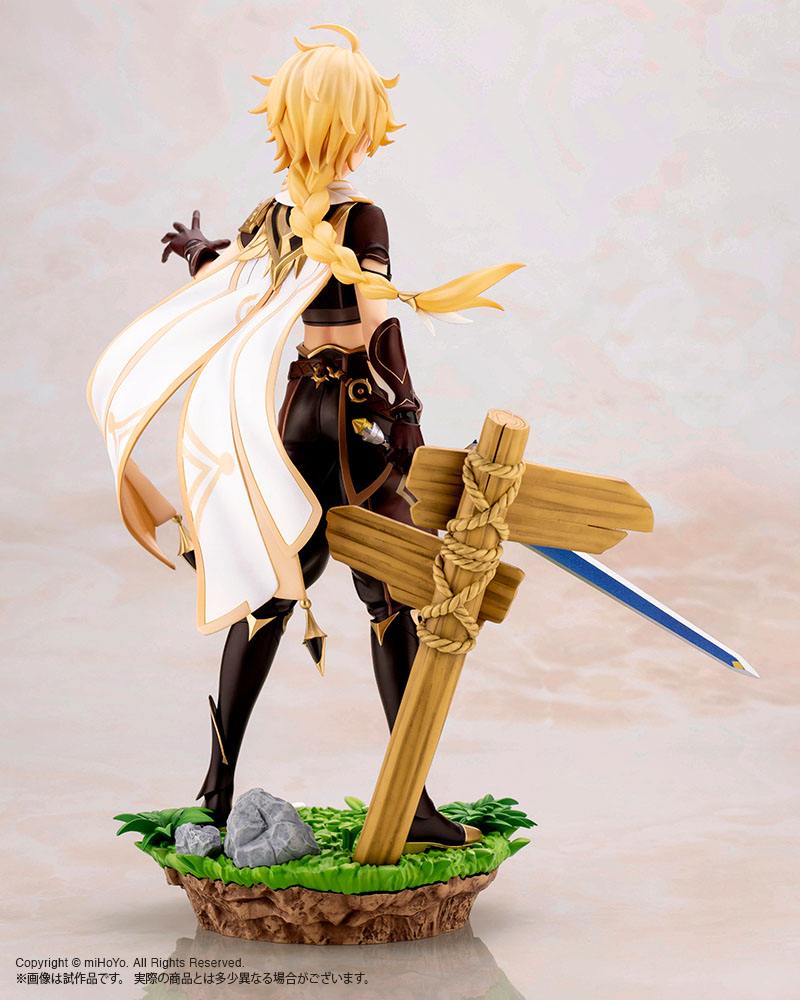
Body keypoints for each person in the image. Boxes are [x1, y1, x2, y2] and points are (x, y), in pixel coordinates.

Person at [88, 24, 520, 852]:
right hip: (357, 415)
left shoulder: (279, 215)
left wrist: (203, 250)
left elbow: (239, 278)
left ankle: (215, 795)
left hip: (297, 412)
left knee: (272, 592)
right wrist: (407, 414)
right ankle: (412, 804)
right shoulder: (358, 215)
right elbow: (376, 316)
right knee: (391, 597)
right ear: (351, 125)